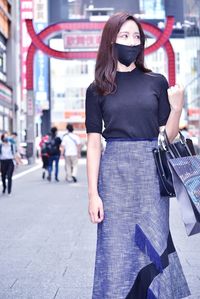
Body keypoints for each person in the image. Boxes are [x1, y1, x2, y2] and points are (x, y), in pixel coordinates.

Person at [85, 12, 190, 299]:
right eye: (124, 36)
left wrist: (177, 108)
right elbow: (94, 143)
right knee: (114, 245)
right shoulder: (96, 89)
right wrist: (93, 194)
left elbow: (166, 137)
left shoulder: (156, 81)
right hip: (114, 174)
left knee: (153, 239)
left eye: (136, 37)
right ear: (111, 41)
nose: (132, 42)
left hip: (149, 173)